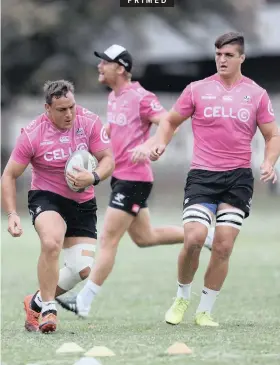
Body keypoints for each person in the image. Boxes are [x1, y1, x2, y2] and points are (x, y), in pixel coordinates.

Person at [56, 44, 215, 317]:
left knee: (107, 239)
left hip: (134, 179)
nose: (99, 66)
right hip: (122, 178)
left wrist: (152, 144)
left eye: (104, 62)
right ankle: (204, 235)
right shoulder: (114, 97)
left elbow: (169, 122)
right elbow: (116, 130)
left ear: (120, 68)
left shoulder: (140, 96)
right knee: (145, 237)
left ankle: (83, 301)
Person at [146, 32, 279, 326]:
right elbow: (170, 120)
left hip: (238, 178)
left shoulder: (256, 94)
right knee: (194, 238)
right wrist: (160, 142)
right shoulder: (197, 89)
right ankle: (182, 297)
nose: (222, 60)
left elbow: (272, 135)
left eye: (229, 55)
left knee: (223, 246)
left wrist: (269, 162)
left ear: (241, 58)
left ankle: (205, 310)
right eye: (218, 54)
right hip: (203, 176)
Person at [1, 80, 115, 333]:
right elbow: (8, 176)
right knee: (51, 242)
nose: (69, 114)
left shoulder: (89, 122)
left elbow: (108, 159)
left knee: (81, 269)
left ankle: (35, 301)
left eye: (71, 107)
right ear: (47, 108)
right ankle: (49, 308)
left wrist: (93, 178)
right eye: (61, 109)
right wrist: (11, 214)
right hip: (46, 196)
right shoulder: (32, 134)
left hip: (82, 201)